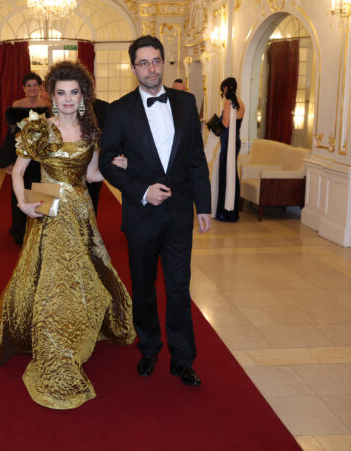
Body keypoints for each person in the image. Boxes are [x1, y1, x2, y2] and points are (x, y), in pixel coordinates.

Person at [0, 61, 133, 410]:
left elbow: (90, 175)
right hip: (47, 201)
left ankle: (76, 325)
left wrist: (113, 166)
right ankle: (55, 341)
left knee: (81, 272)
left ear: (83, 95)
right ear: (51, 96)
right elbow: (18, 172)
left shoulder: (92, 131)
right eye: (62, 93)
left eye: (75, 92)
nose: (69, 99)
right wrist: (22, 203)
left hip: (80, 208)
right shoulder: (38, 128)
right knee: (49, 275)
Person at [99, 35, 211, 387]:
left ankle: (183, 359)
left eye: (156, 61)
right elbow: (107, 162)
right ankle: (148, 347)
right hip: (141, 215)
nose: (151, 68)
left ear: (164, 62)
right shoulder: (120, 110)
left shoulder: (186, 102)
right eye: (144, 63)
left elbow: (195, 158)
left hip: (179, 213)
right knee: (144, 287)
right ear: (133, 68)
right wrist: (142, 191)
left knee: (179, 288)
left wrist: (204, 205)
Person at [0, 72, 49, 245]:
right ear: (24, 88)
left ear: (40, 87)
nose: (32, 88)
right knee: (20, 192)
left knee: (41, 191)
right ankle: (20, 230)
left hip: (41, 158)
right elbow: (12, 135)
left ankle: (40, 231)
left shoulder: (48, 106)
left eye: (35, 85)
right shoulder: (17, 105)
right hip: (22, 156)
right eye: (29, 86)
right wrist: (10, 161)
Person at [204, 77, 245, 222]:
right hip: (235, 142)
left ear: (226, 88)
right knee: (232, 174)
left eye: (223, 89)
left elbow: (225, 124)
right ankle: (232, 210)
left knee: (224, 174)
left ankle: (224, 212)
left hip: (228, 142)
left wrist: (211, 125)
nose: (223, 92)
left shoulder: (228, 102)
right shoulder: (241, 103)